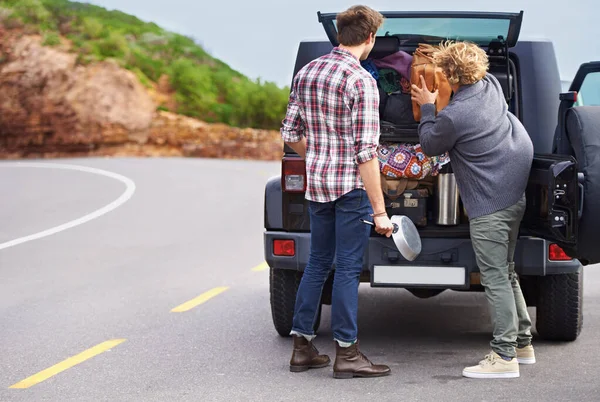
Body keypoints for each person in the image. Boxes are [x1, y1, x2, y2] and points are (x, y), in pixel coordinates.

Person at [280, 5, 393, 379]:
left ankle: (302, 349)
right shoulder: (361, 81)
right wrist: (380, 211)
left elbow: (290, 133)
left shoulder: (308, 71)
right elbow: (366, 154)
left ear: (339, 35)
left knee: (316, 264)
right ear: (370, 38)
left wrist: (320, 156)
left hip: (317, 185)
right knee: (346, 268)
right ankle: (347, 353)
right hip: (350, 189)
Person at [410, 41, 535, 379]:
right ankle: (522, 344)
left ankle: (504, 356)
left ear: (449, 75)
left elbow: (430, 145)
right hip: (514, 196)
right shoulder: (491, 87)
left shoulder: (454, 116)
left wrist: (428, 107)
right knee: (507, 272)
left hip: (490, 205)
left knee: (494, 277)